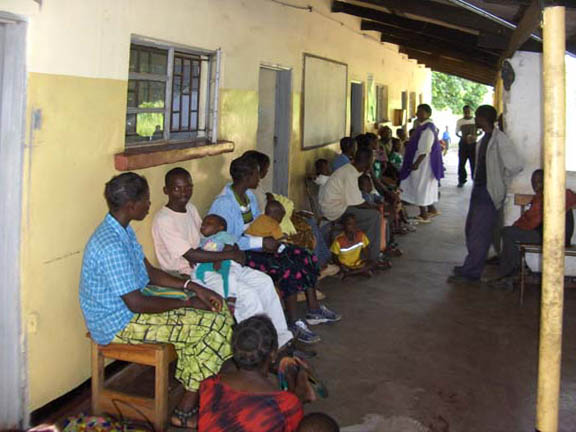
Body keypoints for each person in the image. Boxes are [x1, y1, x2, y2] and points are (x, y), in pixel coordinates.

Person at [80, 172, 233, 428]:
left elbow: (149, 273)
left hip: (137, 302)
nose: (150, 205)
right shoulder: (110, 245)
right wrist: (187, 301)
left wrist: (193, 287)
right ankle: (186, 407)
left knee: (217, 308)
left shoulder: (122, 231)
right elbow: (137, 304)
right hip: (118, 322)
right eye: (146, 201)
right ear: (131, 206)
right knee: (208, 323)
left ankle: (194, 389)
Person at [151, 167, 294, 349]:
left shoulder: (190, 209)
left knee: (264, 282)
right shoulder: (164, 219)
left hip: (211, 262)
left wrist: (229, 248)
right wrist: (230, 254)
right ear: (166, 190)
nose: (183, 193)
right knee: (248, 296)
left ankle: (282, 340)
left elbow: (206, 240)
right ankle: (259, 349)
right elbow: (191, 255)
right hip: (189, 273)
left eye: (187, 187)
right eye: (177, 188)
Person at [209, 156, 341, 344]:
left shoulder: (248, 197)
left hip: (256, 245)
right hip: (239, 254)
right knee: (288, 267)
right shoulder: (224, 204)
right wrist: (261, 243)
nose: (259, 178)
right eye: (256, 173)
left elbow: (257, 224)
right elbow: (227, 240)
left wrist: (272, 238)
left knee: (302, 254)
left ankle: (314, 309)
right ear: (247, 176)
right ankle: (294, 322)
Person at [449, 105, 523, 283]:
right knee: (471, 229)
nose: (474, 119)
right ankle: (470, 265)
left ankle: (472, 272)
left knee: (479, 233)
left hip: (489, 193)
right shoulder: (485, 138)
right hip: (479, 189)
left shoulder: (500, 140)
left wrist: (501, 179)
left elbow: (515, 165)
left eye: (477, 117)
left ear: (483, 118)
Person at [198, 315, 306, 432]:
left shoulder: (209, 385)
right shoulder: (286, 403)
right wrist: (299, 396)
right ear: (273, 354)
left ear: (234, 350)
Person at [490, 169, 576, 284]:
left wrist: (517, 227)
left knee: (508, 233)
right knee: (510, 234)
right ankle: (517, 269)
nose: (536, 185)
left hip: (553, 238)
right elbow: (530, 219)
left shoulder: (549, 196)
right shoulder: (557, 193)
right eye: (533, 182)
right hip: (555, 236)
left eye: (539, 181)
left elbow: (531, 222)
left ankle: (512, 273)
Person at [319, 147, 384, 263]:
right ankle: (372, 257)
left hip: (341, 205)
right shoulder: (350, 174)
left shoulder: (351, 170)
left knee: (372, 212)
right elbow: (357, 202)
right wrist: (375, 207)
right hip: (335, 210)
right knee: (374, 216)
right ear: (368, 162)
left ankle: (361, 250)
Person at [399, 104, 444, 222]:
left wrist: (416, 164)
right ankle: (431, 209)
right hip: (421, 161)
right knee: (423, 186)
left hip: (423, 163)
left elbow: (425, 149)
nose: (418, 114)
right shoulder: (423, 126)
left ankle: (424, 214)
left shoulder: (428, 129)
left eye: (421, 112)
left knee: (419, 186)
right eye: (417, 111)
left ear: (428, 114)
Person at [194, 214, 239, 311]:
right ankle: (200, 289)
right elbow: (200, 250)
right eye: (203, 223)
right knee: (197, 272)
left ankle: (231, 297)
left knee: (230, 276)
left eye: (208, 223)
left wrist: (219, 259)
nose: (203, 225)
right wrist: (192, 259)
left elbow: (229, 247)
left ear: (220, 228)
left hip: (224, 262)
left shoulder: (223, 235)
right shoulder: (204, 240)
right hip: (210, 263)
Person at [330, 213, 373, 278]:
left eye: (354, 224)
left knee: (372, 262)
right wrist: (341, 265)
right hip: (345, 265)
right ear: (344, 226)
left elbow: (367, 251)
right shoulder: (339, 240)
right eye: (349, 224)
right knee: (338, 268)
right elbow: (334, 257)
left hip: (358, 263)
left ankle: (351, 273)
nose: (353, 226)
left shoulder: (360, 235)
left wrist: (366, 259)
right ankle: (359, 272)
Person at [456, 105, 481, 188]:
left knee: (473, 163)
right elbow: (457, 132)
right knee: (461, 163)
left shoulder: (475, 120)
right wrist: (463, 137)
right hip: (463, 144)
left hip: (473, 144)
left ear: (471, 111)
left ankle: (475, 180)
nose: (467, 113)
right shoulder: (460, 121)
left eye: (468, 111)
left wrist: (474, 136)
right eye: (465, 111)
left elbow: (480, 131)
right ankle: (461, 180)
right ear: (463, 111)